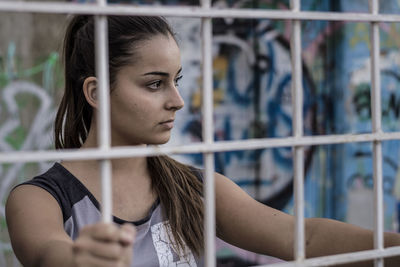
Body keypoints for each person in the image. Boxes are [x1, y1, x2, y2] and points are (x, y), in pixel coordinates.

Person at [5, 14, 400, 267]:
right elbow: (46, 253)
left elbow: (302, 237)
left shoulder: (191, 187)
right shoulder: (41, 198)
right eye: (154, 84)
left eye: (175, 81)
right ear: (95, 92)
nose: (177, 101)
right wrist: (79, 258)